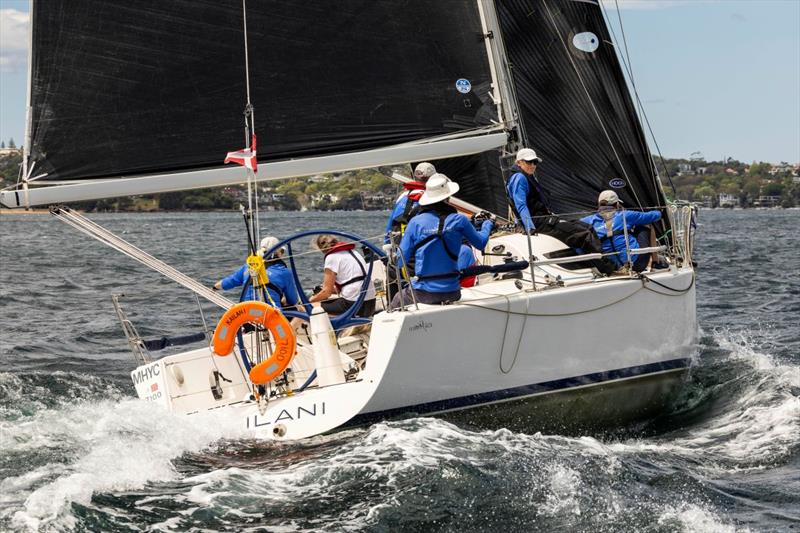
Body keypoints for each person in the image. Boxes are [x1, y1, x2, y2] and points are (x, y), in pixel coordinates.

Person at [506, 147, 616, 274]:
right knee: (583, 234)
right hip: (538, 223)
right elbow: (520, 205)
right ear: (519, 162)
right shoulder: (520, 178)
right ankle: (607, 268)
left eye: (535, 162)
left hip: (544, 220)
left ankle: (597, 265)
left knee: (588, 227)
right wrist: (529, 228)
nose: (532, 165)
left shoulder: (525, 177)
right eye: (528, 162)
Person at [392, 173, 494, 308]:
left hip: (424, 293)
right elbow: (480, 243)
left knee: (397, 299)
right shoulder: (460, 220)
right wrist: (487, 225)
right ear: (448, 198)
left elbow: (399, 261)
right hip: (453, 291)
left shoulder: (415, 223)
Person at [581, 190, 662, 272]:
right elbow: (652, 216)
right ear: (617, 204)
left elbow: (572, 226)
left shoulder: (589, 221)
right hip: (637, 264)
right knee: (645, 224)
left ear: (599, 204)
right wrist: (659, 211)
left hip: (611, 268)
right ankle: (655, 262)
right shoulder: (625, 215)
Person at [214, 236, 301, 307]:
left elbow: (227, 282)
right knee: (300, 310)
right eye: (282, 251)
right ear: (278, 253)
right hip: (270, 318)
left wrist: (214, 288)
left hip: (245, 315)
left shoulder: (247, 268)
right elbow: (293, 300)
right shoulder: (284, 273)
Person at [310, 234, 377, 317]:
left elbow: (327, 293)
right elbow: (351, 280)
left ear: (321, 248)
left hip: (354, 305)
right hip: (370, 303)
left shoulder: (331, 257)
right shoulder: (354, 252)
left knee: (309, 307)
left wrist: (311, 300)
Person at [384, 162, 437, 244]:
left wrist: (387, 244)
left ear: (414, 177)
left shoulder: (402, 196)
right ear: (432, 179)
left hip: (400, 246)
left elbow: (390, 225)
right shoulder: (432, 197)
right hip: (419, 246)